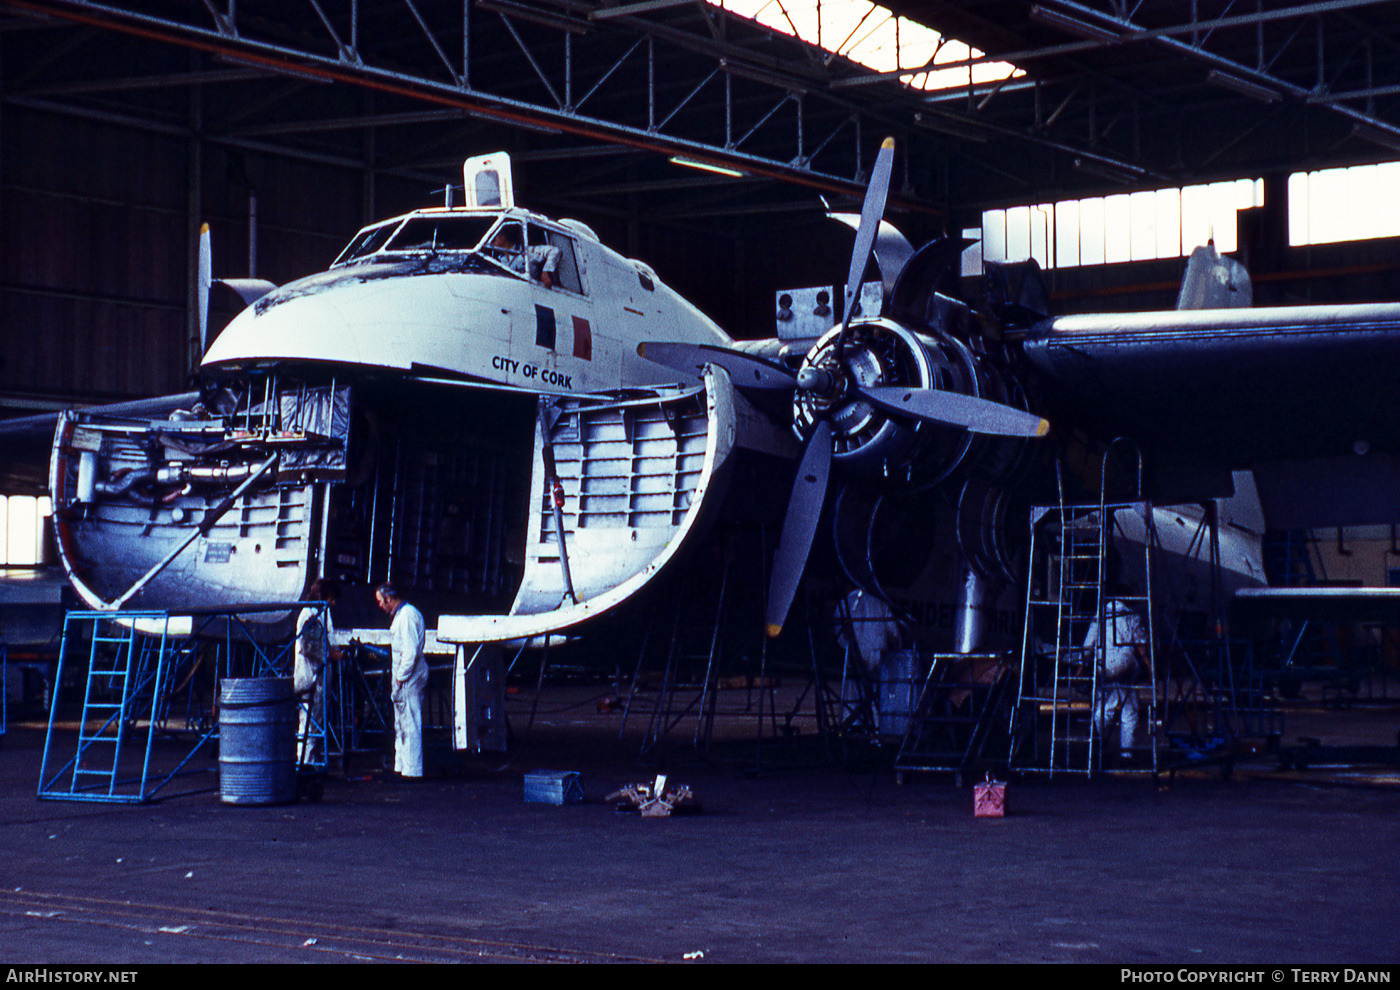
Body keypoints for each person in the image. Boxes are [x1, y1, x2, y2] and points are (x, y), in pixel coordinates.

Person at [1084, 596, 1148, 761]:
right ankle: (1127, 754)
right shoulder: (1132, 616)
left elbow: (1087, 647)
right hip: (1125, 663)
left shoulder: (1099, 615)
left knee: (1105, 708)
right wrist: (1150, 667)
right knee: (1129, 712)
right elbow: (1141, 647)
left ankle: (1096, 741)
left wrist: (1080, 669)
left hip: (1102, 664)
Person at [376, 582, 428, 778]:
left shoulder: (407, 615)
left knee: (410, 722)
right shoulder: (401, 615)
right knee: (401, 723)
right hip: (405, 676)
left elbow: (410, 652)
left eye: (381, 601)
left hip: (409, 676)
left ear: (389, 599)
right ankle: (401, 767)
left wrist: (400, 679)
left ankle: (412, 771)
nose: (380, 605)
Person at [294, 578, 340, 764]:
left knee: (316, 721)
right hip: (310, 676)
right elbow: (309, 647)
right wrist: (332, 655)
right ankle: (306, 764)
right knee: (310, 723)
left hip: (318, 676)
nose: (333, 603)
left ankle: (312, 762)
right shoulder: (309, 616)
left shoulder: (320, 614)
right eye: (331, 598)